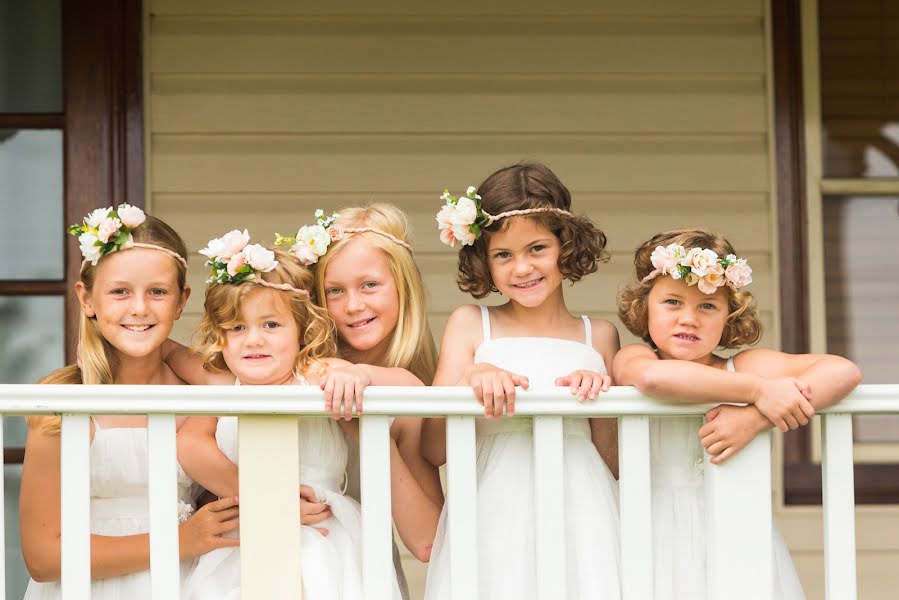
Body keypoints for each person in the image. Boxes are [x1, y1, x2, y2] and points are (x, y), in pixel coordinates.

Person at [613, 228, 862, 599]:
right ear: (643, 306)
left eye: (708, 306)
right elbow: (654, 378)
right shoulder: (635, 358)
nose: (689, 319)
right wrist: (759, 392)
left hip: (739, 529)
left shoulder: (745, 364)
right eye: (672, 302)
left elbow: (843, 371)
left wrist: (755, 418)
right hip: (654, 531)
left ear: (730, 315)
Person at [420, 163, 622, 599]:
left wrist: (601, 393)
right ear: (483, 260)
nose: (522, 267)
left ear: (565, 247)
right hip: (495, 505)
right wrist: (469, 381)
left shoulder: (599, 336)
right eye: (503, 255)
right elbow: (432, 447)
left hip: (582, 508)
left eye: (537, 248)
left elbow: (613, 461)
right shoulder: (472, 325)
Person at [21, 206, 239, 599]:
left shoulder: (200, 399)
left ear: (180, 300)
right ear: (87, 299)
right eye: (120, 291)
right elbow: (42, 557)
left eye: (157, 292)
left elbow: (242, 389)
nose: (139, 308)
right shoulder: (62, 406)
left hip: (182, 584)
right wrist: (179, 541)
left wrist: (175, 354)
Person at [174, 230, 403, 599]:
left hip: (321, 534)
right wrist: (267, 496)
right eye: (237, 328)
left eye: (271, 325)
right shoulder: (228, 391)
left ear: (302, 331)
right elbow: (190, 444)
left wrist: (362, 374)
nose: (254, 340)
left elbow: (415, 390)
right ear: (220, 338)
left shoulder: (314, 375)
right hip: (246, 533)